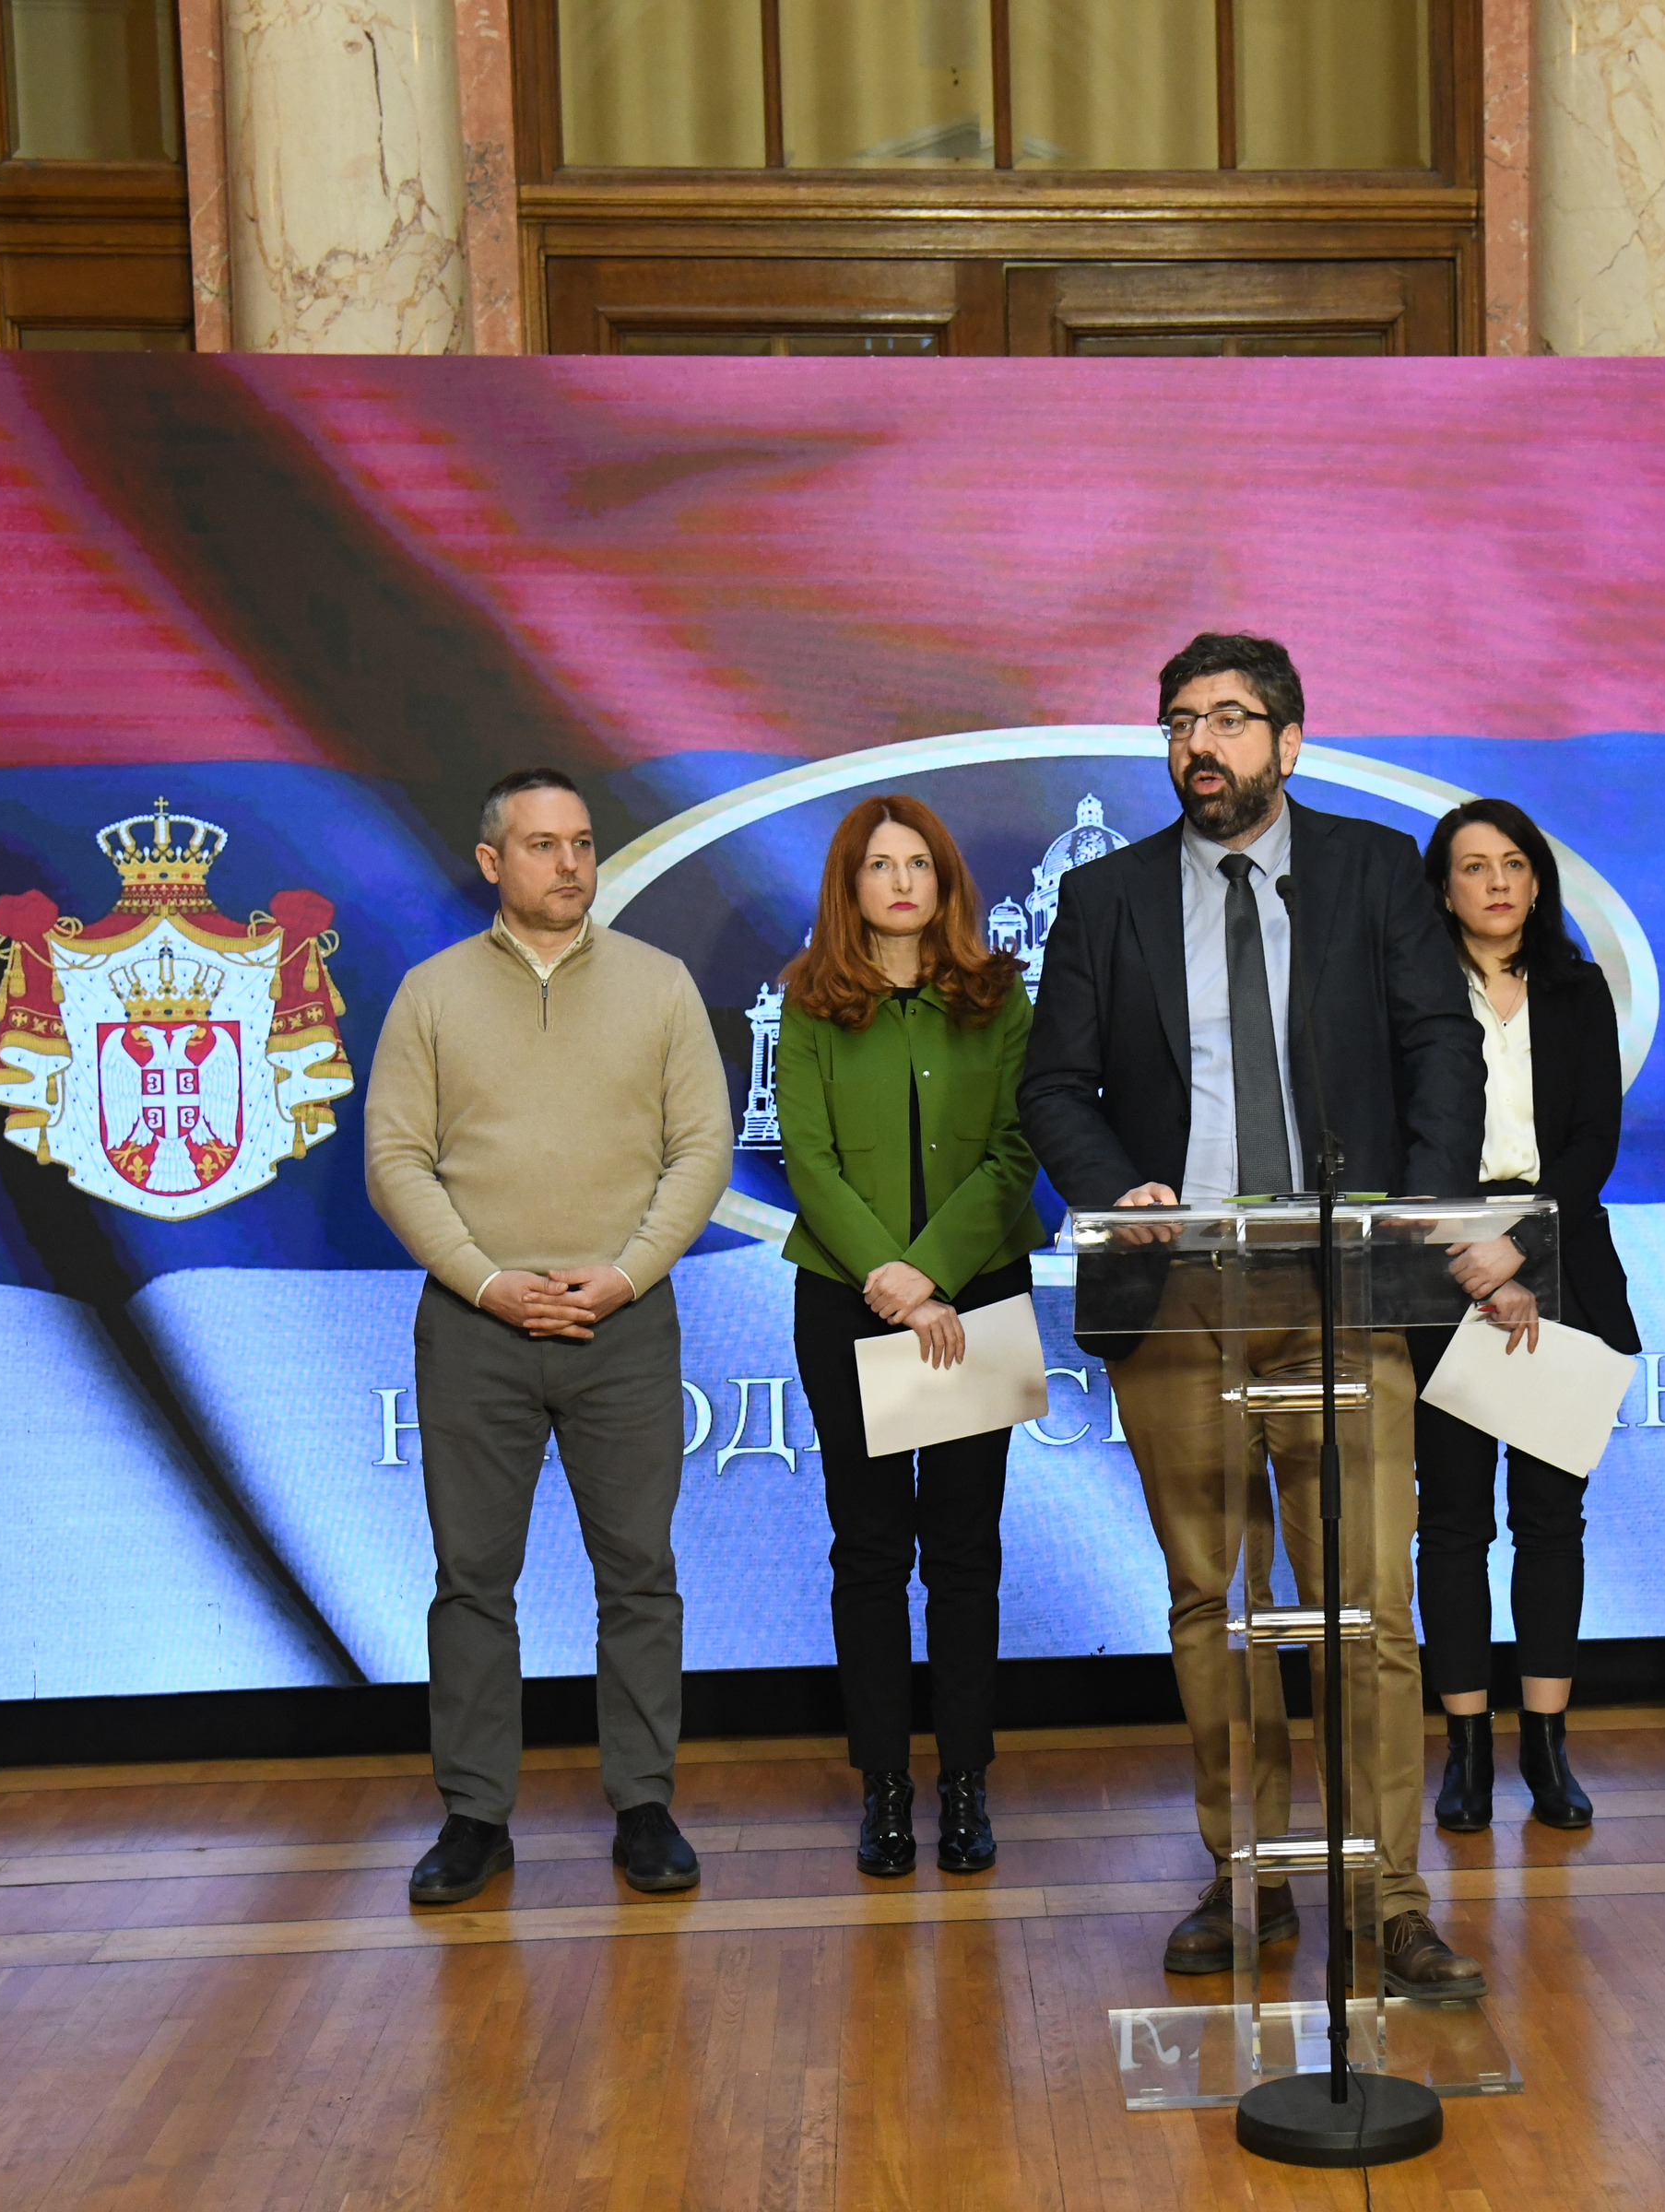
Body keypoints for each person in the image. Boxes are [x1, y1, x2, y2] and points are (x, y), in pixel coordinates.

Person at [1019, 631, 1493, 2000]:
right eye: (1180, 720)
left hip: (1342, 1285)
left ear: (1288, 740)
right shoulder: (1105, 897)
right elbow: (1057, 1084)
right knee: (1210, 1606)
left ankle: (1389, 1897)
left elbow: (1436, 1045)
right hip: (1184, 1293)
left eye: (1230, 719)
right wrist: (1124, 1189)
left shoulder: (1365, 874)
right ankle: (1248, 1880)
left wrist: (1430, 1203)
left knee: (1369, 1611)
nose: (1200, 744)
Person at [367, 768, 733, 1906]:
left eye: (581, 844)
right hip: (476, 1328)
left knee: (640, 1576)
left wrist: (624, 1276)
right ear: (492, 863)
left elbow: (703, 1151)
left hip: (624, 1324)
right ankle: (475, 1817)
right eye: (541, 846)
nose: (569, 864)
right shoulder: (429, 994)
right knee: (472, 1581)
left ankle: (645, 1807)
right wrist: (486, 1284)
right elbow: (394, 1162)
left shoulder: (661, 986)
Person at [775, 796, 1044, 1880]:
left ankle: (966, 1782)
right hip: (847, 1297)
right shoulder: (806, 1001)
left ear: (946, 882)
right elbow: (806, 1156)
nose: (900, 882)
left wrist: (930, 1274)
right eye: (878, 865)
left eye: (918, 863)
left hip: (974, 1296)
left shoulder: (1000, 995)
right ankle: (885, 1786)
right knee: (872, 1553)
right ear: (849, 884)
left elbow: (1018, 1148)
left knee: (966, 1554)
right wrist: (890, 1278)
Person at [1411, 799, 1645, 1833]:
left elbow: (1595, 1141)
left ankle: (1548, 1749)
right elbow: (1401, 1142)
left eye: (1514, 864)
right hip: (1439, 1272)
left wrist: (1526, 1246)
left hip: (1560, 1264)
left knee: (1551, 1521)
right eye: (1474, 867)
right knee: (1453, 1523)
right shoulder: (1409, 994)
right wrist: (1475, 1252)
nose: (1497, 883)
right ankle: (1464, 1751)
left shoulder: (1579, 991)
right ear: (1445, 886)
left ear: (1538, 882)